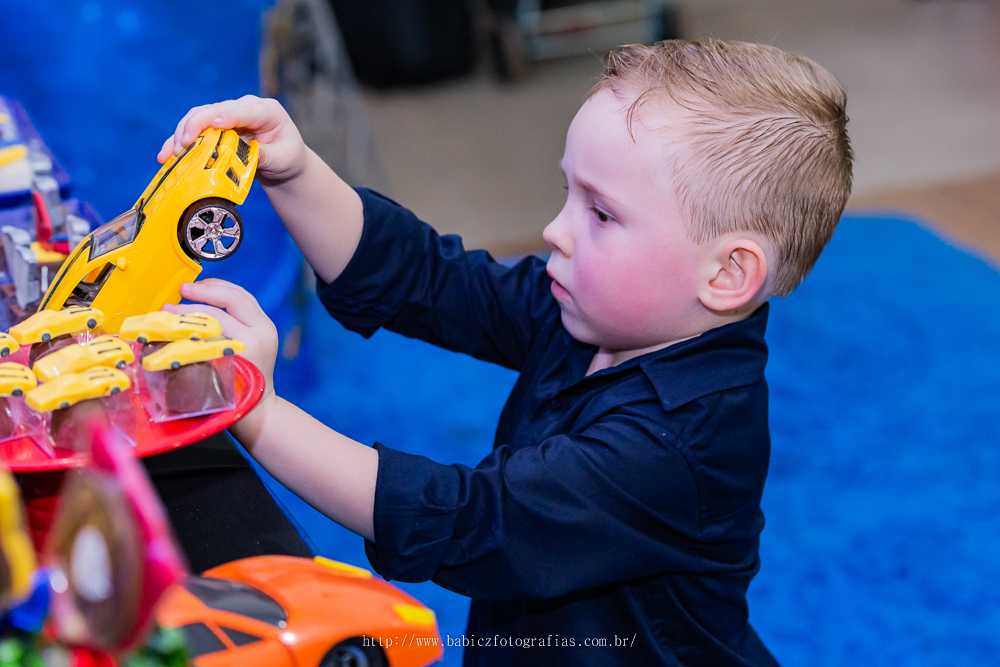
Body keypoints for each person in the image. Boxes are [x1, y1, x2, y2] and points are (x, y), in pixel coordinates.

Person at [158, 39, 852, 666]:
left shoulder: (678, 448)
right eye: (567, 194)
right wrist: (296, 170)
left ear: (728, 274)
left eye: (601, 214)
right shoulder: (588, 308)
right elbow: (431, 280)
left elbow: (468, 516)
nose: (556, 230)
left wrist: (259, 413)